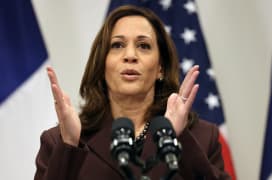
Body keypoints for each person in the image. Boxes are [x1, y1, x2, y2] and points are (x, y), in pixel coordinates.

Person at [34, 5, 230, 180]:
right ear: (103, 64)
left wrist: (176, 138)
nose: (130, 56)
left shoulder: (202, 137)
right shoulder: (62, 141)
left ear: (160, 68)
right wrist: (69, 146)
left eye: (143, 46)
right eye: (117, 45)